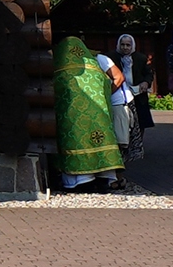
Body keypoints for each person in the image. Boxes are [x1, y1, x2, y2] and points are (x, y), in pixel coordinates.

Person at [53, 33, 126, 190]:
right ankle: (105, 177)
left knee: (76, 138)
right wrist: (104, 95)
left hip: (72, 113)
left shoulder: (60, 65)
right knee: (101, 138)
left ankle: (79, 179)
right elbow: (117, 78)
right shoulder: (94, 61)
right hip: (99, 112)